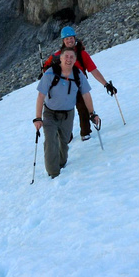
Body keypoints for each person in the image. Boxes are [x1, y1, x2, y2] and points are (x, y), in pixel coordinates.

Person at [34, 47, 100, 178]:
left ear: (75, 59)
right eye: (66, 56)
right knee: (50, 141)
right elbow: (41, 96)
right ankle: (53, 172)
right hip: (50, 113)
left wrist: (92, 113)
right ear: (61, 58)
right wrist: (37, 118)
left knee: (63, 142)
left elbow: (86, 94)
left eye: (72, 57)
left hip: (68, 114)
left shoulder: (78, 74)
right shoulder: (50, 74)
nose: (69, 59)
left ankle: (62, 163)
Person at [42, 26, 117, 141]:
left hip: (79, 86)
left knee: (83, 109)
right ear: (63, 41)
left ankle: (85, 133)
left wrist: (106, 84)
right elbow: (46, 68)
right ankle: (66, 135)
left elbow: (93, 70)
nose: (69, 41)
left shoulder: (82, 54)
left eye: (71, 38)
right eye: (67, 39)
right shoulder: (58, 56)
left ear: (74, 38)